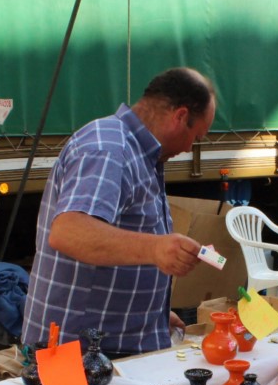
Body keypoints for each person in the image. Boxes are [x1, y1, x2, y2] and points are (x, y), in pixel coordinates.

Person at [21, 67, 215, 356]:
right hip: (80, 355)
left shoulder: (139, 153)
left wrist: (153, 318)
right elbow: (70, 232)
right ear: (180, 117)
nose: (189, 148)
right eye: (196, 137)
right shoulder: (109, 148)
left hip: (108, 347)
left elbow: (122, 242)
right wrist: (156, 249)